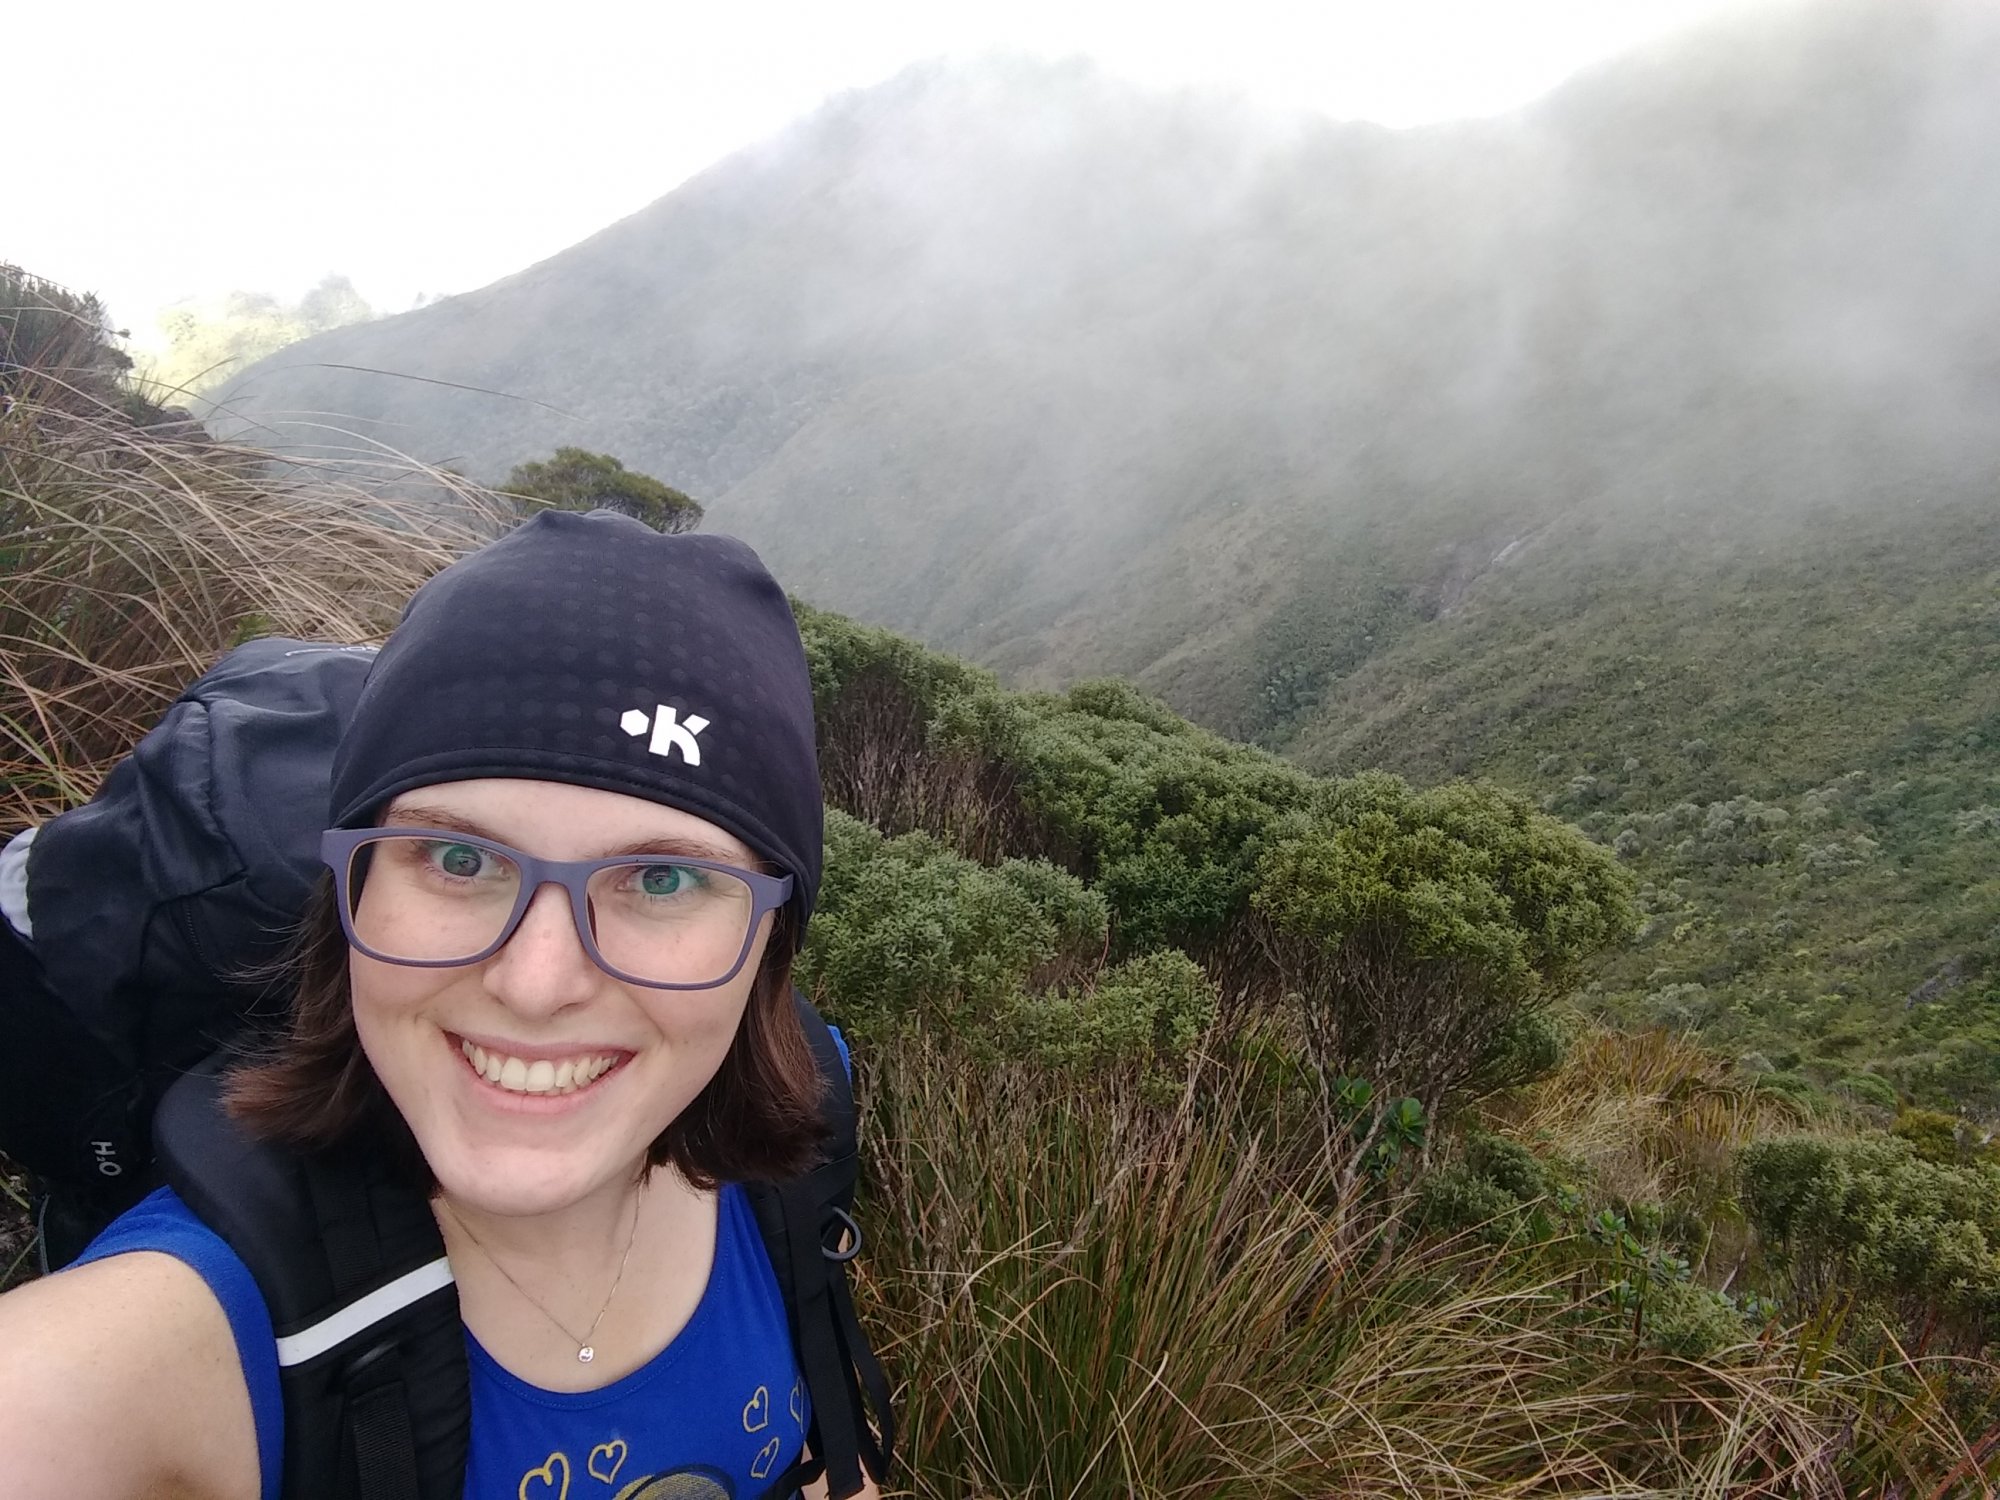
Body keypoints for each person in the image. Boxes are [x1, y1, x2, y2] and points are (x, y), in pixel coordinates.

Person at [0, 510, 884, 1500]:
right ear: (352, 892)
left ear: (768, 942)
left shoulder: (789, 1153)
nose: (536, 983)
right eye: (459, 859)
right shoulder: (164, 1346)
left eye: (661, 879)